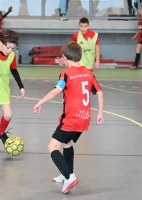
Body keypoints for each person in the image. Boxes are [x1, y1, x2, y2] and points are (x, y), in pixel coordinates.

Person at [34, 41, 104, 194]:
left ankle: (69, 177)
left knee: (52, 147)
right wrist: (100, 113)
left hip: (72, 119)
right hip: (84, 117)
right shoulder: (88, 72)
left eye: (62, 58)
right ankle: (66, 175)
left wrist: (40, 102)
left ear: (65, 57)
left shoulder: (66, 74)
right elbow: (99, 92)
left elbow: (55, 91)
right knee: (67, 143)